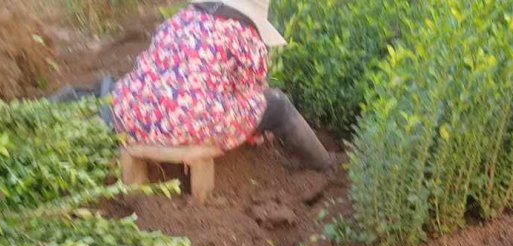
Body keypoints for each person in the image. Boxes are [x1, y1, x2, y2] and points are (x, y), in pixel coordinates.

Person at [52, 0, 332, 172]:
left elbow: (150, 65)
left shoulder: (178, 21)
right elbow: (252, 94)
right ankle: (321, 164)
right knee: (277, 105)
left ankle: (50, 113)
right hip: (192, 123)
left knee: (114, 88)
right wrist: (256, 132)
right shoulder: (246, 37)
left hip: (131, 115)